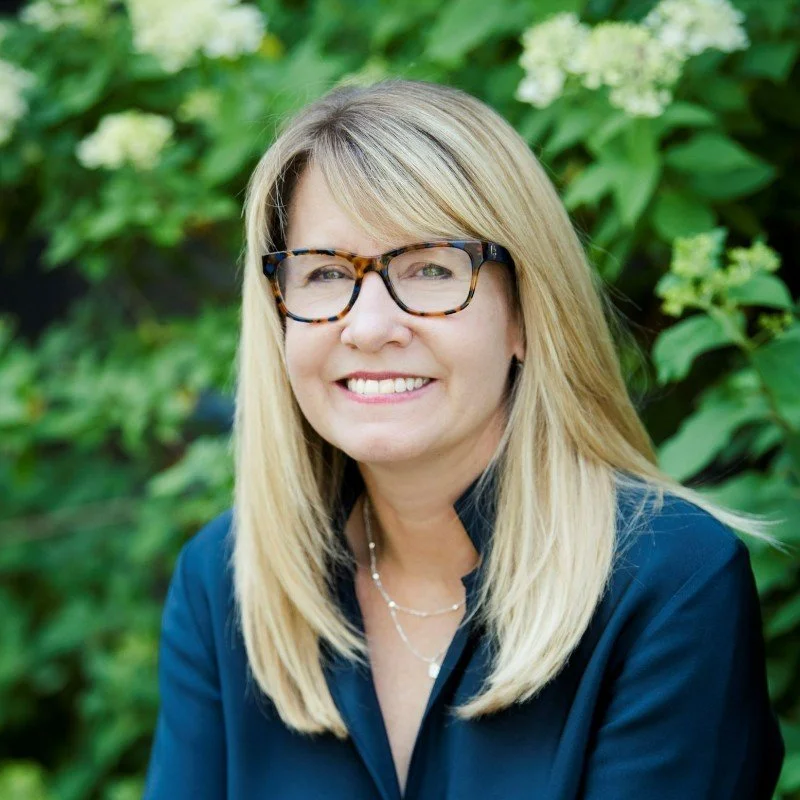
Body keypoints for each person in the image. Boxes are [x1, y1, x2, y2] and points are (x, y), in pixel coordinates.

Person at [143, 79, 786, 799]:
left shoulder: (671, 582)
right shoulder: (225, 581)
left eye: (429, 269)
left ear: (523, 314)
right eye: (324, 273)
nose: (370, 327)